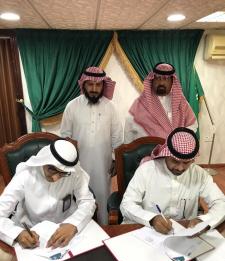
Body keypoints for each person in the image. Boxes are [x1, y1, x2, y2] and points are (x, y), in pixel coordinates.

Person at [120, 127, 225, 234]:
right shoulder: (146, 170)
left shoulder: (199, 174)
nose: (180, 168)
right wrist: (152, 219)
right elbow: (127, 204)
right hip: (148, 232)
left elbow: (221, 203)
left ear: (193, 159)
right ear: (167, 154)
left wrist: (203, 221)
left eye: (186, 163)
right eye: (175, 161)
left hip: (185, 236)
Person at [0, 139, 96, 248]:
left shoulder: (74, 173)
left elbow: (87, 202)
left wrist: (73, 224)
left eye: (63, 173)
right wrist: (17, 233)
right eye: (52, 170)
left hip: (67, 228)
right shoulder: (26, 174)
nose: (55, 178)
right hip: (33, 231)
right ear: (44, 160)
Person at [60, 66, 123, 225]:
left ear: (103, 86)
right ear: (84, 85)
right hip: (77, 165)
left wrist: (116, 160)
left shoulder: (111, 107)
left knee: (102, 196)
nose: (94, 89)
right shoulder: (72, 106)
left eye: (98, 85)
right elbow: (65, 136)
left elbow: (117, 137)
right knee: (78, 197)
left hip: (103, 164)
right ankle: (78, 228)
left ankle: (103, 227)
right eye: (90, 84)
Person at [124, 62, 198, 143]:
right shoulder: (140, 104)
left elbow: (193, 125)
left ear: (172, 82)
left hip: (172, 152)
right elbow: (129, 131)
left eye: (166, 79)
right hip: (146, 153)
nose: (161, 83)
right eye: (158, 78)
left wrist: (177, 140)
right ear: (152, 80)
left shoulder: (181, 103)